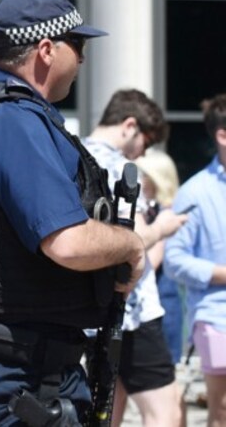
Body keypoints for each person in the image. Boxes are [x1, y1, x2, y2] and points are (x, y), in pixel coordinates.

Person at [0, 0, 147, 425]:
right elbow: (66, 242)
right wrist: (130, 245)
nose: (82, 59)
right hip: (17, 372)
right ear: (46, 49)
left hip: (16, 363)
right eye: (77, 44)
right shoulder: (13, 122)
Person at [83, 89, 186, 427]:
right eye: (147, 141)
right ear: (129, 125)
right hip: (134, 311)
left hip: (91, 309)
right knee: (165, 412)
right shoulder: (120, 168)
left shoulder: (74, 155)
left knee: (106, 410)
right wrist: (164, 227)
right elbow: (136, 240)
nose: (144, 152)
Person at [164, 93, 226, 426]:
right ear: (222, 135)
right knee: (222, 410)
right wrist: (221, 273)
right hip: (218, 316)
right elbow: (174, 260)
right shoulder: (195, 191)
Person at [135, 149, 185, 362]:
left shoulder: (166, 213)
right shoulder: (150, 211)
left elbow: (152, 261)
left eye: (143, 175)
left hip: (161, 305)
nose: (139, 181)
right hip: (149, 303)